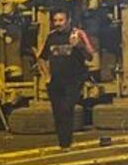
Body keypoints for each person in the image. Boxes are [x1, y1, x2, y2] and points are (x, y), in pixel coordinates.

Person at [38, 9, 95, 148]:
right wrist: (47, 76)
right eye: (55, 21)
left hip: (73, 80)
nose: (58, 23)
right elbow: (41, 57)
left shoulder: (78, 34)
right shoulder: (51, 37)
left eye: (61, 20)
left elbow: (90, 55)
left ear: (68, 20)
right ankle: (63, 143)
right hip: (55, 81)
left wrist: (79, 46)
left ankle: (66, 142)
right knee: (58, 113)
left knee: (66, 110)